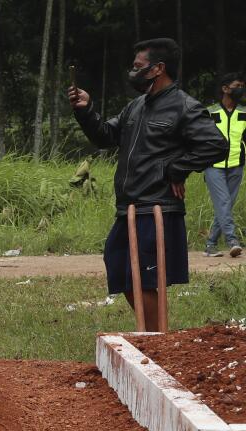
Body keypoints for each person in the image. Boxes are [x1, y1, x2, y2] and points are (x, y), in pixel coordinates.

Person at [69, 38, 226, 331]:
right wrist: (86, 110)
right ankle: (152, 335)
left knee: (144, 277)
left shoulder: (185, 107)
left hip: (157, 207)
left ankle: (157, 341)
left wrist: (176, 169)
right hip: (127, 207)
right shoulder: (136, 107)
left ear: (158, 69)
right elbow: (105, 136)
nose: (133, 72)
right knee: (122, 272)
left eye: (138, 67)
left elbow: (216, 146)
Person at [204, 72, 246, 257]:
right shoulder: (210, 112)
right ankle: (232, 240)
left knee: (225, 206)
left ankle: (210, 245)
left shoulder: (244, 113)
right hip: (214, 165)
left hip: (237, 165)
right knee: (223, 202)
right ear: (225, 89)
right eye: (237, 85)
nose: (241, 89)